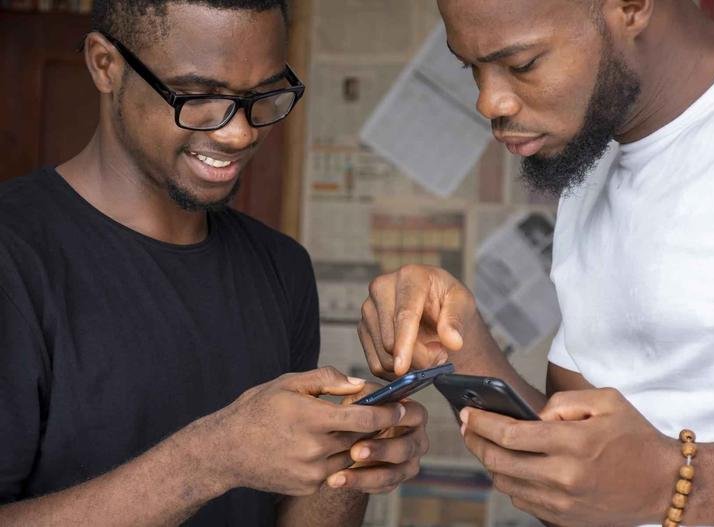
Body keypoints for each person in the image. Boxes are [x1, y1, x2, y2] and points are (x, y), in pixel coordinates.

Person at [358, 0, 714, 526]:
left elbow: (643, 483)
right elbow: (576, 489)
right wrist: (463, 346)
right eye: (470, 68)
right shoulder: (593, 157)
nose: (487, 102)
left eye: (522, 65)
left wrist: (671, 481)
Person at [0, 1, 428, 525]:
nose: (239, 134)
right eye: (200, 95)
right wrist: (212, 457)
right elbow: (222, 457)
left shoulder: (281, 267)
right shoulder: (14, 257)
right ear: (105, 65)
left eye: (263, 96)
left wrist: (349, 457)